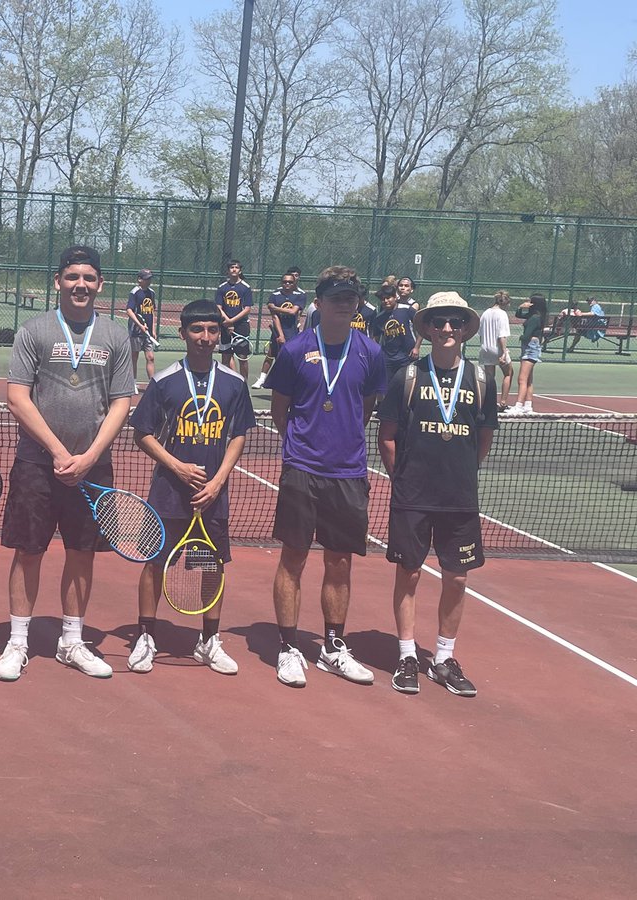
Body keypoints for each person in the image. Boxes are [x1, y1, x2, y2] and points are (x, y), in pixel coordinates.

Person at [0, 245, 134, 681]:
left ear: (100, 285)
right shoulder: (33, 331)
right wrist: (58, 452)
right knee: (28, 552)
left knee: (82, 554)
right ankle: (18, 641)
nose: (81, 285)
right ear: (58, 282)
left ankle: (72, 640)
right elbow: (17, 397)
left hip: (93, 470)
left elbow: (122, 401)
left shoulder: (115, 335)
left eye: (89, 278)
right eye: (72, 276)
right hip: (37, 465)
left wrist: (90, 457)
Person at [265, 265, 387, 688]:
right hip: (302, 469)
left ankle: (332, 647)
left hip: (349, 473)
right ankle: (287, 647)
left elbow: (366, 406)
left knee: (339, 561)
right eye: (335, 297)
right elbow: (281, 410)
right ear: (318, 302)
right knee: (293, 558)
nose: (343, 304)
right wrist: (304, 445)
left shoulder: (371, 353)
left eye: (350, 298)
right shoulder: (295, 350)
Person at [126, 299, 256, 675]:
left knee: (209, 566)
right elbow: (142, 434)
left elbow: (237, 437)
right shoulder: (164, 381)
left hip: (210, 498)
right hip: (168, 495)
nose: (205, 337)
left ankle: (208, 641)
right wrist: (177, 467)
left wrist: (217, 483)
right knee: (154, 565)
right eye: (197, 330)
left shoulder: (233, 384)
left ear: (220, 334)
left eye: (212, 330)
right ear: (182, 334)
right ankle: (145, 636)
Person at [378, 292, 496, 698]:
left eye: (455, 323)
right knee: (408, 574)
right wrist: (405, 480)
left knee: (457, 577)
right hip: (414, 497)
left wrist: (460, 475)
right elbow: (387, 437)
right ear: (426, 328)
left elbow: (483, 439)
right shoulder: (407, 377)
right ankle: (407, 655)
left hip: (459, 499)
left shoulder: (482, 380)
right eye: (439, 322)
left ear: (465, 329)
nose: (448, 329)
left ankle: (443, 658)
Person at [252, 272, 305, 389]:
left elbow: (293, 312)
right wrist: (280, 335)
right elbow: (275, 317)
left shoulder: (300, 295)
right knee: (271, 354)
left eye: (290, 282)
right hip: (278, 331)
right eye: (285, 282)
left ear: (294, 282)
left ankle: (291, 381)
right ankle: (261, 379)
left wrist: (274, 307)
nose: (287, 284)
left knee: (290, 357)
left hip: (292, 331)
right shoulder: (275, 295)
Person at [505, 293, 546, 416]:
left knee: (522, 379)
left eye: (530, 301)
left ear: (534, 303)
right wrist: (521, 307)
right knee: (528, 380)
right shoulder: (534, 315)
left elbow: (527, 335)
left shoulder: (534, 318)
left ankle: (518, 406)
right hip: (532, 346)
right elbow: (518, 314)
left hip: (530, 347)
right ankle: (528, 406)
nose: (528, 302)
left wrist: (521, 337)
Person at [369, 278, 417, 384]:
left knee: (407, 385)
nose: (386, 301)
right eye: (383, 299)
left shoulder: (407, 310)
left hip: (407, 356)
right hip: (388, 358)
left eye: (388, 298)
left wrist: (416, 347)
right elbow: (375, 339)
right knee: (386, 387)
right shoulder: (379, 317)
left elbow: (421, 328)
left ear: (395, 297)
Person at [214, 259, 253, 378]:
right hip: (225, 325)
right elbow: (218, 307)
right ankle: (229, 384)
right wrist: (227, 321)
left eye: (236, 267)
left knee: (242, 357)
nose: (234, 269)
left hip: (241, 326)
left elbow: (247, 309)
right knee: (226, 357)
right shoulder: (222, 287)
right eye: (231, 267)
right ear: (228, 271)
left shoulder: (245, 288)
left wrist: (232, 321)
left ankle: (243, 385)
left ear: (240, 270)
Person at [477, 290, 513, 412]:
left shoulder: (485, 313)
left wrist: (484, 346)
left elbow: (481, 334)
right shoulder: (502, 314)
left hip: (485, 349)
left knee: (489, 378)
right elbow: (502, 336)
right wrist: (503, 352)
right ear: (506, 302)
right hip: (497, 349)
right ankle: (502, 403)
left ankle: (488, 403)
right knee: (508, 373)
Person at [125, 267, 158, 388]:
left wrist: (153, 329)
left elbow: (152, 311)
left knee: (150, 357)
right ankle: (132, 383)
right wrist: (139, 325)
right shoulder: (135, 292)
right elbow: (129, 310)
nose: (149, 281)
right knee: (134, 357)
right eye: (146, 279)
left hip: (148, 332)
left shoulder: (152, 293)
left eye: (150, 279)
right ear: (139, 280)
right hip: (136, 331)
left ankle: (152, 385)